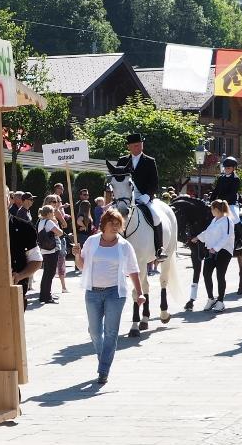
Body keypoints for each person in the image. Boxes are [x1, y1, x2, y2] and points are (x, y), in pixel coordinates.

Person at [72, 210, 146, 386]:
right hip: (92, 292)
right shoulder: (91, 242)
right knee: (95, 332)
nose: (115, 226)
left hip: (115, 293)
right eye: (112, 223)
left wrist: (140, 292)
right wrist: (76, 254)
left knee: (111, 333)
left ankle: (103, 370)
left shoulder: (124, 245)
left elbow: (133, 269)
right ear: (103, 224)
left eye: (118, 223)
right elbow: (82, 266)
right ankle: (103, 359)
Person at [116, 133, 165, 260]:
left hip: (143, 196)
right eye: (136, 145)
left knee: (156, 217)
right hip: (124, 197)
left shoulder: (149, 161)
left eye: (140, 144)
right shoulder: (122, 160)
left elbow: (154, 182)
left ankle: (159, 249)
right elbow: (117, 180)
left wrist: (147, 196)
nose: (139, 147)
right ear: (129, 147)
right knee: (108, 215)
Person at [196, 199, 235, 312]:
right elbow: (208, 233)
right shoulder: (214, 220)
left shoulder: (227, 221)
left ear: (216, 209)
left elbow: (226, 237)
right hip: (211, 251)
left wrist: (216, 248)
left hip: (224, 251)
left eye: (212, 209)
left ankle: (221, 301)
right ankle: (211, 298)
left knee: (220, 276)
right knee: (206, 274)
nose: (211, 211)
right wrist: (197, 237)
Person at [35, 204, 64, 304]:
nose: (53, 214)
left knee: (46, 273)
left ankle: (44, 295)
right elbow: (60, 233)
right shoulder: (49, 222)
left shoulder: (41, 222)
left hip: (44, 249)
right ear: (48, 213)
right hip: (52, 250)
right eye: (52, 212)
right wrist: (56, 224)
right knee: (50, 273)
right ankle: (47, 296)